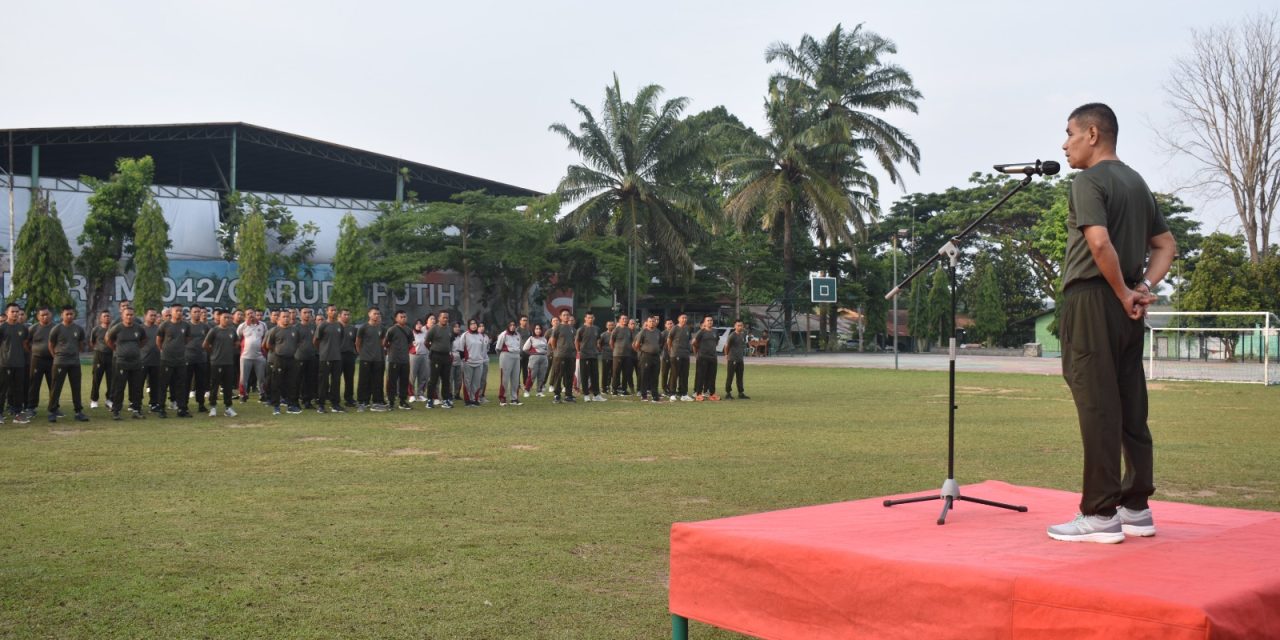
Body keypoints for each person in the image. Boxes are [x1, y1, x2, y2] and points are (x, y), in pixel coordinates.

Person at [1047, 103, 1177, 544]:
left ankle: (1100, 513)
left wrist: (1125, 290)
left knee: (1098, 405)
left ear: (1093, 134)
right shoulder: (1137, 183)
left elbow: (1098, 243)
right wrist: (1141, 287)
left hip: (1094, 300)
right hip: (1126, 310)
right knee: (1130, 403)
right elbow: (1166, 245)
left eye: (1070, 134)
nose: (1065, 144)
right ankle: (1136, 507)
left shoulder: (1088, 181)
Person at [47, 306, 90, 423]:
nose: (69, 316)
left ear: (74, 315)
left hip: (74, 362)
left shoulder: (78, 329)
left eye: (71, 314)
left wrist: (74, 353)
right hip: (60, 362)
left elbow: (81, 345)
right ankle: (52, 411)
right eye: (67, 314)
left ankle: (78, 412)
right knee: (56, 387)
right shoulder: (56, 329)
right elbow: (51, 345)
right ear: (62, 315)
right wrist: (56, 356)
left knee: (76, 387)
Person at [105, 307, 147, 420]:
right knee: (119, 387)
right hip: (121, 362)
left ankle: (136, 410)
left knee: (136, 387)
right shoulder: (117, 328)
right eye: (127, 314)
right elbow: (108, 339)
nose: (129, 317)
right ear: (123, 316)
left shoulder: (139, 328)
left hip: (136, 362)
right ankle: (116, 411)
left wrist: (134, 349)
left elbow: (143, 340)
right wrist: (117, 349)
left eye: (131, 314)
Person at [156, 302, 193, 419]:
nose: (179, 313)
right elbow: (158, 341)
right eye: (177, 310)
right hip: (166, 360)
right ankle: (161, 408)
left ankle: (182, 408)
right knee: (163, 384)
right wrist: (164, 350)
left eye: (181, 311)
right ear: (171, 312)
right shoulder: (164, 325)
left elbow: (187, 339)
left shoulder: (185, 326)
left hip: (181, 360)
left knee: (181, 385)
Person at [203, 309, 241, 417]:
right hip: (216, 363)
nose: (227, 320)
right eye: (225, 317)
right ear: (219, 318)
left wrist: (230, 351)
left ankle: (228, 408)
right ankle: (213, 407)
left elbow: (237, 343)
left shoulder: (232, 330)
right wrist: (213, 353)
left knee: (228, 387)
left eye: (229, 318)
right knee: (214, 386)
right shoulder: (214, 330)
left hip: (229, 363)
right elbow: (205, 344)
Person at [264, 309, 302, 415]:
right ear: (279, 318)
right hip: (279, 359)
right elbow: (268, 345)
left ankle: (291, 405)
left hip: (292, 359)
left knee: (291, 383)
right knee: (276, 383)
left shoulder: (295, 330)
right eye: (283, 317)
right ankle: (276, 406)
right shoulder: (274, 330)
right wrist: (278, 351)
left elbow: (298, 343)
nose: (286, 318)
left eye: (287, 317)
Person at [0, 303, 31, 424]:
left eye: (17, 312)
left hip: (19, 364)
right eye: (12, 311)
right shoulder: (2, 328)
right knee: (2, 390)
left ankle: (17, 414)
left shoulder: (23, 328)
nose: (15, 314)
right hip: (5, 363)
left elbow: (25, 345)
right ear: (7, 313)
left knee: (18, 390)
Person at [314, 305, 346, 414]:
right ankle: (321, 405)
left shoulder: (339, 325)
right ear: (327, 312)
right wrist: (323, 350)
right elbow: (316, 341)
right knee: (323, 382)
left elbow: (341, 339)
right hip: (325, 358)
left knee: (336, 382)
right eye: (331, 310)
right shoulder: (322, 325)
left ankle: (335, 404)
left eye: (335, 310)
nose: (334, 312)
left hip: (337, 357)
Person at [355, 307, 388, 412]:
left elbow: (383, 343)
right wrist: (363, 354)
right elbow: (358, 343)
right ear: (369, 314)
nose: (377, 315)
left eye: (378, 314)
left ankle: (377, 402)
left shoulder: (382, 328)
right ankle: (362, 402)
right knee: (364, 381)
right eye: (374, 313)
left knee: (378, 381)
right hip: (366, 359)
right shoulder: (363, 328)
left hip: (378, 359)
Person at [27, 307, 55, 419]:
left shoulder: (55, 328)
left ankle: (54, 407)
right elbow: (26, 343)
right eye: (42, 315)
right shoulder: (33, 328)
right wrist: (35, 351)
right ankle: (31, 407)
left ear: (51, 315)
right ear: (38, 316)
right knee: (34, 384)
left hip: (52, 360)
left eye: (47, 314)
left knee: (53, 384)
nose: (45, 317)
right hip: (37, 360)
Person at [383, 310, 414, 410]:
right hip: (393, 359)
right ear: (396, 318)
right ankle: (391, 402)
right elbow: (385, 343)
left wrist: (403, 350)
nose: (403, 318)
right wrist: (393, 350)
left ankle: (402, 401)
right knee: (392, 381)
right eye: (401, 317)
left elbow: (410, 344)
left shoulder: (409, 330)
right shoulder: (391, 330)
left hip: (405, 360)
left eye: (405, 317)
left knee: (404, 381)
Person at [237, 307, 267, 403]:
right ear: (245, 316)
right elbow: (238, 338)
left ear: (255, 314)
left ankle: (262, 394)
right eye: (248, 314)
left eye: (252, 313)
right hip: (245, 356)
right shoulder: (242, 326)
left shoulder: (263, 325)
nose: (251, 315)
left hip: (260, 356)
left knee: (261, 377)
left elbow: (266, 338)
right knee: (243, 378)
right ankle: (243, 394)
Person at [425, 311, 454, 409]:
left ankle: (445, 400)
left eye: (447, 317)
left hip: (446, 357)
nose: (446, 319)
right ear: (439, 318)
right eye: (444, 317)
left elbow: (450, 341)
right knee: (433, 379)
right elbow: (426, 342)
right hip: (436, 356)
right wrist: (433, 350)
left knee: (446, 379)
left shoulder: (449, 329)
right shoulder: (434, 329)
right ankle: (430, 400)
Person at [186, 305, 211, 415]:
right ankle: (184, 404)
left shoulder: (205, 327)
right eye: (195, 312)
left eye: (199, 312)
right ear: (190, 313)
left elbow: (210, 340)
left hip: (201, 358)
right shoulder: (185, 326)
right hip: (188, 358)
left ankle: (201, 404)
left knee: (201, 382)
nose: (197, 314)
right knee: (186, 382)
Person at [548, 309, 577, 404]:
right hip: (560, 355)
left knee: (569, 375)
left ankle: (568, 395)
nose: (566, 316)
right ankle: (557, 395)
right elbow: (552, 340)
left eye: (568, 315)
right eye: (564, 315)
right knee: (558, 375)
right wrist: (556, 350)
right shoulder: (558, 327)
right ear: (560, 317)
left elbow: (575, 341)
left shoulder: (572, 328)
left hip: (571, 355)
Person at [633, 316, 663, 402]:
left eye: (653, 321)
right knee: (644, 376)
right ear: (647, 322)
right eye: (650, 321)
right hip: (646, 356)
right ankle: (644, 395)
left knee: (655, 376)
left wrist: (657, 350)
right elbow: (636, 344)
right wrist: (641, 352)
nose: (652, 323)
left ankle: (654, 394)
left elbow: (661, 343)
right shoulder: (643, 332)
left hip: (656, 356)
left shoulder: (658, 332)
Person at [294, 308, 319, 410]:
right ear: (300, 314)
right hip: (299, 357)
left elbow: (317, 340)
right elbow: (294, 342)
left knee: (310, 380)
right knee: (297, 380)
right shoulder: (296, 327)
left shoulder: (314, 326)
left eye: (309, 313)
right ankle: (295, 401)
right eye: (305, 313)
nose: (307, 314)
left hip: (312, 357)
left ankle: (307, 401)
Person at [458, 319, 487, 407]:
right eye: (471, 324)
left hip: (479, 362)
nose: (474, 325)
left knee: (476, 382)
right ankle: (468, 400)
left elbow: (483, 349)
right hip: (468, 362)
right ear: (468, 325)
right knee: (467, 382)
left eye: (475, 324)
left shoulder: (480, 336)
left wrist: (481, 359)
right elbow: (461, 349)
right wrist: (464, 360)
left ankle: (474, 399)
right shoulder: (465, 335)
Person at [576, 312, 604, 402]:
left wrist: (598, 349)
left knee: (595, 375)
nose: (590, 319)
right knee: (585, 375)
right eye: (588, 318)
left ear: (594, 318)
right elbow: (576, 341)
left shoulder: (596, 329)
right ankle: (586, 395)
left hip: (594, 355)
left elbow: (598, 341)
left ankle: (596, 395)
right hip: (585, 355)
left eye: (592, 317)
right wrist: (579, 351)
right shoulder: (581, 329)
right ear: (585, 318)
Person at [691, 316, 721, 401]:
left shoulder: (715, 331)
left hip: (713, 357)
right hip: (703, 357)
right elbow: (694, 342)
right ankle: (698, 394)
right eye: (708, 320)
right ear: (704, 323)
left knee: (712, 376)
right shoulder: (701, 332)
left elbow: (717, 342)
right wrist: (698, 350)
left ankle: (712, 393)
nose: (710, 322)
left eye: (711, 320)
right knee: (701, 376)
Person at [495, 321, 524, 406]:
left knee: (515, 378)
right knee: (505, 378)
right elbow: (498, 348)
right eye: (510, 325)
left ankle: (514, 399)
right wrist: (502, 357)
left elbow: (520, 347)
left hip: (516, 356)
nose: (512, 326)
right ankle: (502, 399)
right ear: (507, 326)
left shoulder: (517, 335)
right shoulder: (503, 334)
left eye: (514, 325)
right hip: (506, 355)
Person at [88, 310, 113, 410]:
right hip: (99, 356)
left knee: (111, 380)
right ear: (100, 318)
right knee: (96, 378)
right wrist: (99, 349)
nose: (107, 317)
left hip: (111, 355)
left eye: (108, 316)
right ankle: (94, 400)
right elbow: (92, 342)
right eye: (105, 316)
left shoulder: (113, 329)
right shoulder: (96, 329)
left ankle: (109, 400)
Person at [666, 314, 693, 402]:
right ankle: (672, 394)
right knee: (674, 375)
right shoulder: (675, 328)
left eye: (685, 318)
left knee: (684, 375)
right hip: (675, 354)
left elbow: (689, 340)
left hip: (685, 355)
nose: (684, 319)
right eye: (682, 318)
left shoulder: (687, 328)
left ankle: (683, 394)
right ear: (678, 319)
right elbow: (669, 340)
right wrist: (671, 351)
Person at [141, 308, 163, 413]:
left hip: (156, 361)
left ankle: (154, 404)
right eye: (151, 315)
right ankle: (136, 404)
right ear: (145, 316)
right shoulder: (140, 329)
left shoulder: (159, 329)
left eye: (155, 315)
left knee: (155, 385)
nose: (153, 317)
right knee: (138, 384)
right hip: (142, 361)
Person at [724, 321, 750, 400]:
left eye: (741, 325)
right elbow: (726, 346)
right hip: (732, 359)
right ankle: (728, 393)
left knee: (740, 377)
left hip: (740, 359)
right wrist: (726, 355)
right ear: (735, 326)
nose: (740, 327)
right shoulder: (732, 335)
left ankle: (741, 393)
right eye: (738, 325)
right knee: (730, 376)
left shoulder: (742, 335)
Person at [523, 324, 550, 397]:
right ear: (534, 330)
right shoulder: (531, 338)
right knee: (532, 375)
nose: (538, 330)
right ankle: (527, 390)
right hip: (534, 359)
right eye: (536, 329)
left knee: (542, 376)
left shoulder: (544, 339)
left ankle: (539, 391)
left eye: (539, 329)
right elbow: (525, 348)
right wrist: (532, 353)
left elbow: (547, 349)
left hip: (544, 358)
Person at [610, 314, 633, 396]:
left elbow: (631, 341)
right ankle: (614, 389)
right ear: (619, 320)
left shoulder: (629, 330)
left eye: (626, 319)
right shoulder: (616, 330)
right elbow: (611, 342)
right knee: (616, 372)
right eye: (623, 319)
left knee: (626, 373)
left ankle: (624, 389)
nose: (624, 320)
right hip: (617, 355)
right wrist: (615, 350)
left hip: (627, 355)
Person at [338, 309, 358, 408]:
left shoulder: (353, 329)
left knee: (349, 378)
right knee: (336, 378)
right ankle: (335, 398)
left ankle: (349, 398)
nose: (347, 316)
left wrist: (355, 353)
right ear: (340, 315)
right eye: (345, 314)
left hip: (350, 355)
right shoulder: (335, 327)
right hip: (338, 356)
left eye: (348, 314)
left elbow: (357, 343)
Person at [410, 315, 430, 402]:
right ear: (414, 325)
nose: (419, 325)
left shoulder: (425, 333)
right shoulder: (411, 333)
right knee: (412, 376)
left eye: (420, 323)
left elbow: (429, 343)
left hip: (425, 356)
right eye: (417, 323)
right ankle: (411, 394)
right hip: (414, 356)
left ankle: (420, 394)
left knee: (423, 376)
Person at [517, 315, 531, 399]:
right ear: (520, 321)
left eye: (526, 320)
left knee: (526, 370)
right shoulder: (517, 330)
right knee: (518, 370)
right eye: (523, 320)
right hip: (519, 353)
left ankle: (526, 386)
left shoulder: (528, 330)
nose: (525, 322)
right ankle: (517, 385)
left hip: (527, 354)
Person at [599, 320, 614, 396]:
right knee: (605, 373)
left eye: (612, 325)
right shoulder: (603, 335)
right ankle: (604, 388)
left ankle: (611, 387)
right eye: (609, 325)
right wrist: (603, 351)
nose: (611, 326)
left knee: (613, 373)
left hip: (614, 356)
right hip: (606, 356)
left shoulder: (615, 334)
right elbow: (599, 345)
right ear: (606, 326)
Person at [660, 318, 674, 397]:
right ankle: (664, 389)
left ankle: (670, 387)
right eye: (668, 323)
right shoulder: (663, 333)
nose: (670, 325)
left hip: (674, 356)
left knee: (673, 373)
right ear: (665, 325)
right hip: (666, 356)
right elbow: (660, 344)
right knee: (664, 373)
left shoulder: (675, 332)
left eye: (671, 323)